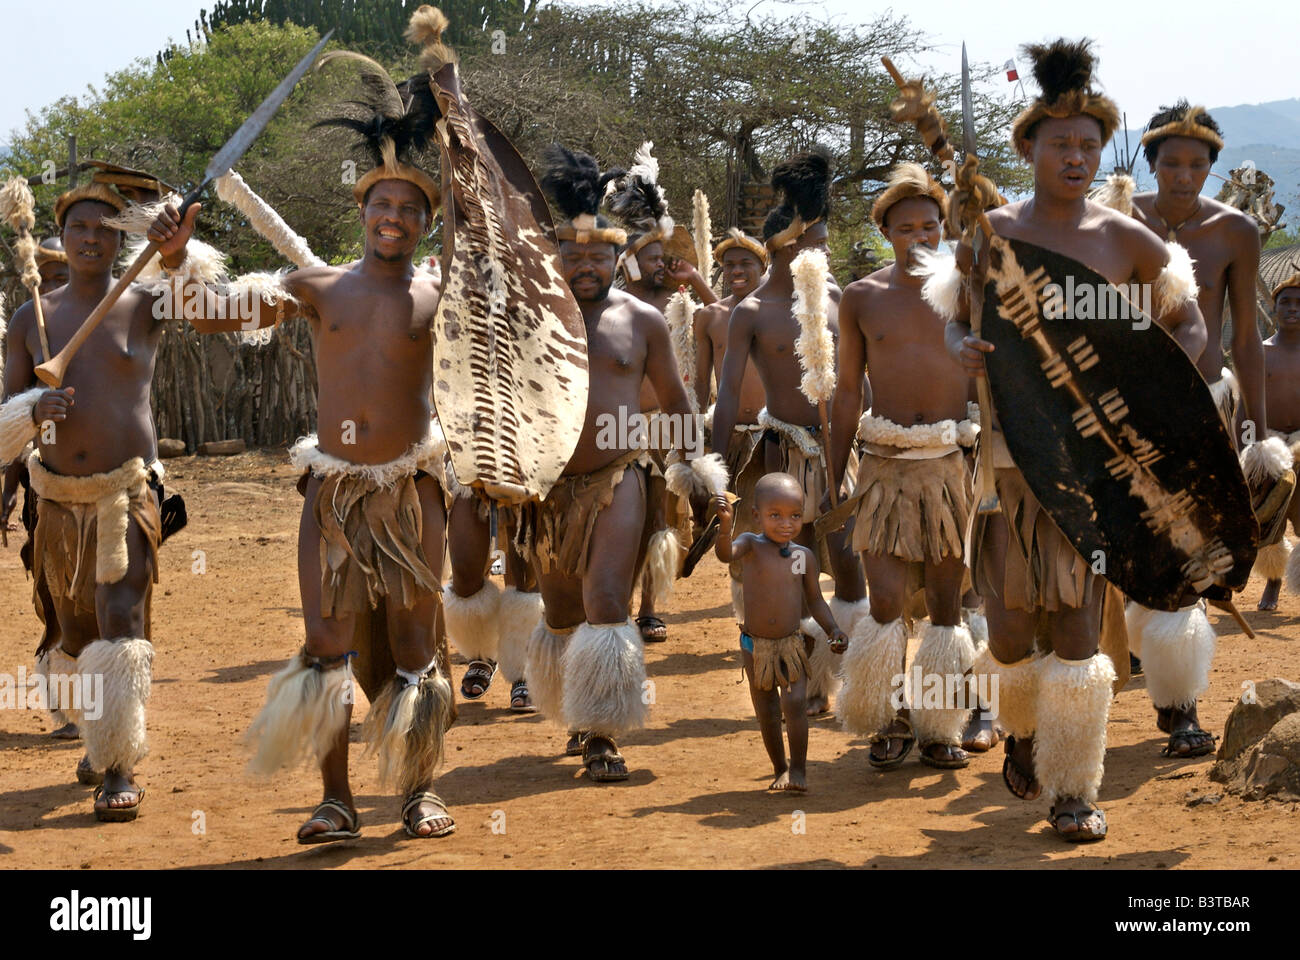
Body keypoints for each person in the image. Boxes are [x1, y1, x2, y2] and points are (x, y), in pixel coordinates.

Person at [154, 51, 458, 842]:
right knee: (329, 644)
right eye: (380, 203)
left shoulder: (438, 295)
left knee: (414, 643)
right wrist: (177, 255)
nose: (393, 216)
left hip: (414, 487)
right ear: (362, 213)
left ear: (425, 222)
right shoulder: (317, 288)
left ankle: (421, 791)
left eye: (409, 207)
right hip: (334, 494)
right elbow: (212, 314)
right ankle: (336, 801)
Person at [938, 39, 1205, 840]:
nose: (1078, 157)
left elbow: (1185, 319)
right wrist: (964, 349)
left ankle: (1072, 787)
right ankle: (1020, 726)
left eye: (1090, 145)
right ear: (1030, 149)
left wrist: (1157, 381)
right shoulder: (989, 234)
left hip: (1094, 471)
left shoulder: (1124, 240)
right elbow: (956, 323)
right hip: (1012, 469)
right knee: (1015, 633)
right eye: (1062, 144)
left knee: (1081, 633)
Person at [1, 163, 187, 820]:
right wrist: (33, 408)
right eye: (77, 227)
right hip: (55, 501)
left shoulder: (146, 301)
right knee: (77, 632)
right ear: (59, 235)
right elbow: (5, 417)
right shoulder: (31, 319)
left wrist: (174, 248)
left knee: (120, 623)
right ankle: (95, 733)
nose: (90, 239)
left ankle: (117, 766)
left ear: (116, 240)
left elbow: (195, 289)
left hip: (126, 493)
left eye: (103, 228)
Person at [519, 144, 704, 781]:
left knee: (605, 600)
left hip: (620, 473)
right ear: (558, 259)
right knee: (562, 610)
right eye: (573, 256)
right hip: (547, 483)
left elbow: (678, 401)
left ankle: (602, 733)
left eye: (599, 255)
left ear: (617, 255)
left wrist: (696, 472)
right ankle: (580, 709)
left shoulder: (641, 320)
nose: (587, 266)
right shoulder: (531, 319)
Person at [1116, 102, 1267, 756]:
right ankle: (1149, 673)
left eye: (1197, 164)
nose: (1184, 175)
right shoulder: (1117, 222)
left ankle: (1182, 709)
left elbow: (1245, 335)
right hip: (1125, 409)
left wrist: (1255, 420)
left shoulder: (1235, 231)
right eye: (1171, 163)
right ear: (1151, 165)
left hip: (1206, 404)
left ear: (1213, 166)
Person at [830, 163, 979, 769]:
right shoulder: (862, 297)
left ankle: (940, 726)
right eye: (905, 228)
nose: (919, 238)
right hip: (883, 468)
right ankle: (886, 715)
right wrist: (832, 471)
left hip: (949, 463)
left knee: (947, 607)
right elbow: (845, 391)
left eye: (930, 226)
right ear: (885, 233)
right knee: (886, 601)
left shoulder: (969, 293)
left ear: (944, 228)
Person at [712, 149, 869, 718]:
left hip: (839, 455)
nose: (824, 253)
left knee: (850, 567)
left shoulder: (837, 300)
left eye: (827, 244)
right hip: (779, 457)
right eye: (817, 243)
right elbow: (727, 394)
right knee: (790, 571)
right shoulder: (750, 311)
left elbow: (858, 386)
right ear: (787, 246)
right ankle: (799, 682)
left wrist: (856, 454)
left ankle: (857, 683)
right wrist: (714, 470)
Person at [607, 143, 716, 643]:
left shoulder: (680, 302)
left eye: (663, 254)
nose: (660, 263)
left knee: (659, 518)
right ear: (628, 260)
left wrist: (694, 280)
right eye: (649, 256)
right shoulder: (610, 304)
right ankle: (617, 604)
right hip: (621, 429)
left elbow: (723, 323)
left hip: (664, 428)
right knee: (620, 521)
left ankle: (649, 606)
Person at [713, 473, 847, 792]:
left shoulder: (803, 557)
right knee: (768, 713)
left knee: (795, 704)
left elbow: (815, 600)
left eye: (795, 516)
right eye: (775, 516)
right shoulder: (749, 545)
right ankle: (780, 769)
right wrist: (725, 527)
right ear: (757, 516)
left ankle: (799, 770)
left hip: (791, 645)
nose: (786, 524)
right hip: (753, 646)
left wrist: (833, 628)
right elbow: (723, 554)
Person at [1253, 273, 1300, 609]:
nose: (1292, 308)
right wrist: (1253, 444)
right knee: (1271, 518)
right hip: (1270, 448)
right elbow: (1247, 403)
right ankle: (1273, 581)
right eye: (1285, 302)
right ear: (1273, 307)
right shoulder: (1260, 352)